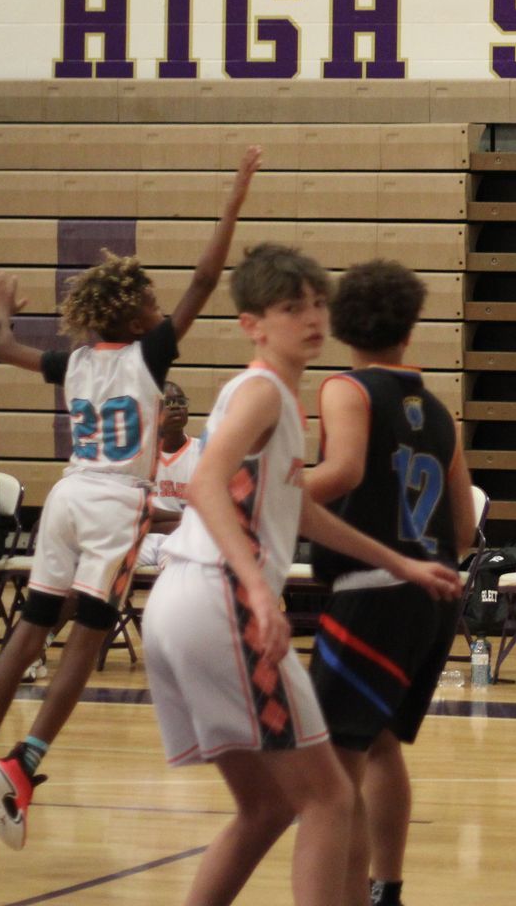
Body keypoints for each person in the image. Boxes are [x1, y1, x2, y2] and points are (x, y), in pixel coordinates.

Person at [140, 244, 461, 906]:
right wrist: (259, 589)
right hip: (220, 596)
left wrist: (399, 561)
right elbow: (204, 484)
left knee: (267, 808)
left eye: (317, 303)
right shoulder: (263, 391)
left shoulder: (278, 396)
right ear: (253, 325)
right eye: (292, 308)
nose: (312, 318)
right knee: (328, 797)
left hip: (183, 600)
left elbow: (297, 510)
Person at [0, 146, 260, 849]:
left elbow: (3, 351)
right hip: (115, 502)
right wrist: (234, 200)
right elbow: (206, 279)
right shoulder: (149, 355)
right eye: (151, 301)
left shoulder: (74, 360)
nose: (160, 306)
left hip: (68, 494)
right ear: (137, 317)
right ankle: (23, 763)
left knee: (30, 627)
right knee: (89, 632)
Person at [303, 259, 474, 906]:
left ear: (342, 325)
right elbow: (464, 529)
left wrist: (259, 486)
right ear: (409, 326)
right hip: (434, 596)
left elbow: (343, 471)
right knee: (379, 744)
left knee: (334, 767)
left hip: (372, 593)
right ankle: (387, 890)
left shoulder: (346, 389)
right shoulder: (439, 413)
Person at [136, 380, 198, 569]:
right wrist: (186, 518)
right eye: (169, 403)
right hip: (143, 538)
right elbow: (135, 515)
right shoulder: (138, 456)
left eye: (181, 402)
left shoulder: (205, 452)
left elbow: (207, 519)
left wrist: (155, 520)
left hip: (186, 539)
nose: (177, 407)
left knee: (180, 569)